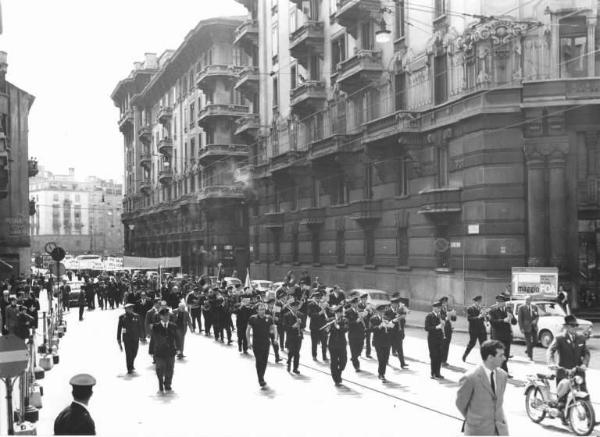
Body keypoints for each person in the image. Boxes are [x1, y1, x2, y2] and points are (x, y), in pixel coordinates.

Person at [455, 340, 509, 436]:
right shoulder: (470, 377)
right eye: (500, 355)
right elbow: (460, 404)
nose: (504, 358)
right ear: (490, 357)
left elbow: (498, 403)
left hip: (499, 430)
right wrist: (474, 419)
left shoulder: (503, 375)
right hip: (477, 431)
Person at [547, 315, 590, 406]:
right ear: (566, 326)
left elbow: (586, 353)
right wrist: (551, 363)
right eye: (572, 325)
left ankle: (590, 418)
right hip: (564, 372)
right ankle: (562, 416)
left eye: (576, 325)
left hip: (578, 372)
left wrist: (584, 364)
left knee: (585, 396)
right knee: (562, 400)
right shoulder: (559, 338)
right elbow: (551, 350)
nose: (575, 328)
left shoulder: (581, 338)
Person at [151, 307, 181, 393]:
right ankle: (160, 382)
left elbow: (177, 338)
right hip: (159, 352)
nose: (166, 317)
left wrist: (179, 349)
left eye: (167, 315)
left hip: (170, 351)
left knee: (170, 368)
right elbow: (153, 339)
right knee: (159, 368)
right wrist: (151, 351)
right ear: (160, 317)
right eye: (164, 316)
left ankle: (168, 384)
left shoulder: (173, 326)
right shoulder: (156, 327)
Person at [246, 303, 275, 387]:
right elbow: (248, 331)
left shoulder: (269, 318)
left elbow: (272, 329)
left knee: (265, 361)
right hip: (256, 343)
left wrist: (273, 333)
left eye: (263, 309)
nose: (263, 311)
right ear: (257, 310)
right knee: (259, 360)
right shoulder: (252, 318)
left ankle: (262, 375)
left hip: (266, 342)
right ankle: (260, 378)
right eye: (261, 309)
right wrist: (248, 342)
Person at [488, 295, 517, 376]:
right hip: (498, 336)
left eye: (501, 302)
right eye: (498, 302)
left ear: (504, 303)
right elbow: (493, 322)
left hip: (507, 336)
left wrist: (511, 318)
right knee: (500, 355)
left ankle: (500, 372)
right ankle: (503, 373)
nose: (499, 303)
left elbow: (515, 322)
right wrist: (503, 320)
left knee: (506, 356)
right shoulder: (492, 311)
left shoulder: (508, 310)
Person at [370, 304, 392, 382]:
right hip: (378, 341)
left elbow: (392, 328)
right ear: (377, 311)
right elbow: (371, 329)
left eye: (383, 312)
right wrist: (379, 326)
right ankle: (381, 374)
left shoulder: (387, 318)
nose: (382, 313)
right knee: (381, 358)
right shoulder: (373, 319)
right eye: (380, 312)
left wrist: (390, 325)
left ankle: (382, 373)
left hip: (387, 341)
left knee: (385, 359)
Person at [117, 303, 141, 374]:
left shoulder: (137, 316)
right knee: (128, 353)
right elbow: (119, 328)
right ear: (126, 309)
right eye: (128, 308)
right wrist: (118, 338)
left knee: (135, 352)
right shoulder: (122, 317)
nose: (130, 309)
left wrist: (141, 335)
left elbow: (139, 326)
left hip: (135, 337)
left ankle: (132, 363)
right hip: (126, 338)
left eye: (131, 308)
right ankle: (129, 368)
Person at [463, 295, 488, 362]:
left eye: (480, 301)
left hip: (482, 329)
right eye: (478, 301)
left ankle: (485, 359)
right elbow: (469, 319)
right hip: (473, 329)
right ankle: (465, 355)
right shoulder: (470, 308)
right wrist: (478, 317)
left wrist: (485, 316)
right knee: (472, 343)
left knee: (484, 344)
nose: (479, 303)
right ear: (474, 302)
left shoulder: (482, 309)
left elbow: (485, 319)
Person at [328, 305, 348, 386]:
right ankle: (336, 379)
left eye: (340, 313)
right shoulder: (330, 320)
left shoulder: (345, 320)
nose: (338, 314)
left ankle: (339, 372)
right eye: (336, 313)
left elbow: (346, 329)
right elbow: (325, 332)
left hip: (342, 344)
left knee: (343, 361)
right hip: (332, 345)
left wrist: (338, 327)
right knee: (334, 362)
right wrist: (327, 329)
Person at [283, 300, 305, 374]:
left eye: (297, 306)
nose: (296, 308)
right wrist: (293, 326)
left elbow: (304, 326)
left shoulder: (301, 315)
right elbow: (285, 327)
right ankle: (289, 362)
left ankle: (295, 368)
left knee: (297, 353)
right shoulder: (287, 315)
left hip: (298, 336)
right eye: (294, 307)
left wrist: (301, 324)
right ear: (291, 307)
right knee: (291, 351)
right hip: (290, 336)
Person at [425, 301, 445, 379]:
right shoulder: (429, 316)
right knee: (433, 356)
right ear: (434, 308)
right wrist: (437, 327)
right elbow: (426, 328)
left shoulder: (441, 316)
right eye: (437, 308)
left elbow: (443, 325)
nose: (439, 309)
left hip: (440, 338)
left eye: (440, 308)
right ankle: (432, 373)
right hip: (432, 339)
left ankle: (438, 373)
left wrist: (443, 325)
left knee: (439, 356)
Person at [307, 292, 329, 361]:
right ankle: (314, 355)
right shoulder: (311, 305)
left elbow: (327, 314)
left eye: (319, 298)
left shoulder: (323, 305)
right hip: (314, 326)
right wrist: (319, 313)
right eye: (317, 298)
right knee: (314, 342)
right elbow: (310, 315)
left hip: (323, 326)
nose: (318, 299)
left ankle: (324, 356)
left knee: (324, 342)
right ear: (314, 298)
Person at [345, 297, 366, 372]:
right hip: (352, 334)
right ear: (351, 304)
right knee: (353, 351)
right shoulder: (347, 312)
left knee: (359, 350)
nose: (355, 304)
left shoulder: (361, 310)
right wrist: (356, 321)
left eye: (356, 303)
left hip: (361, 334)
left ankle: (355, 357)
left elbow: (365, 321)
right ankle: (356, 366)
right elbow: (347, 323)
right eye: (354, 303)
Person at [389, 294, 409, 369]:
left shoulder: (400, 311)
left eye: (397, 304)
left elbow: (403, 323)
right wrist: (395, 319)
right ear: (391, 304)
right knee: (387, 348)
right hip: (390, 333)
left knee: (400, 349)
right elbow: (387, 323)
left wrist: (402, 318)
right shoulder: (388, 311)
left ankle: (402, 363)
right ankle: (386, 361)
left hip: (398, 333)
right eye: (394, 304)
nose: (396, 305)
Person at [517, 296, 539, 361]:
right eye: (526, 300)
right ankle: (530, 357)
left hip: (534, 327)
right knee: (528, 342)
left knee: (535, 341)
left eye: (529, 300)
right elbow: (520, 319)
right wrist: (521, 328)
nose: (527, 301)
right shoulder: (521, 308)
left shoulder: (534, 307)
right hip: (526, 327)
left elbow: (537, 316)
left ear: (531, 300)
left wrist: (536, 320)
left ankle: (528, 349)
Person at [439, 296, 456, 366]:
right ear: (441, 303)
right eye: (443, 303)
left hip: (449, 329)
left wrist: (454, 315)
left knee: (447, 345)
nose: (445, 304)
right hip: (443, 329)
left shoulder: (448, 309)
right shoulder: (439, 310)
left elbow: (453, 319)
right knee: (442, 345)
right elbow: (441, 319)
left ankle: (444, 360)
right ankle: (441, 361)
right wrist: (447, 317)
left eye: (446, 302)